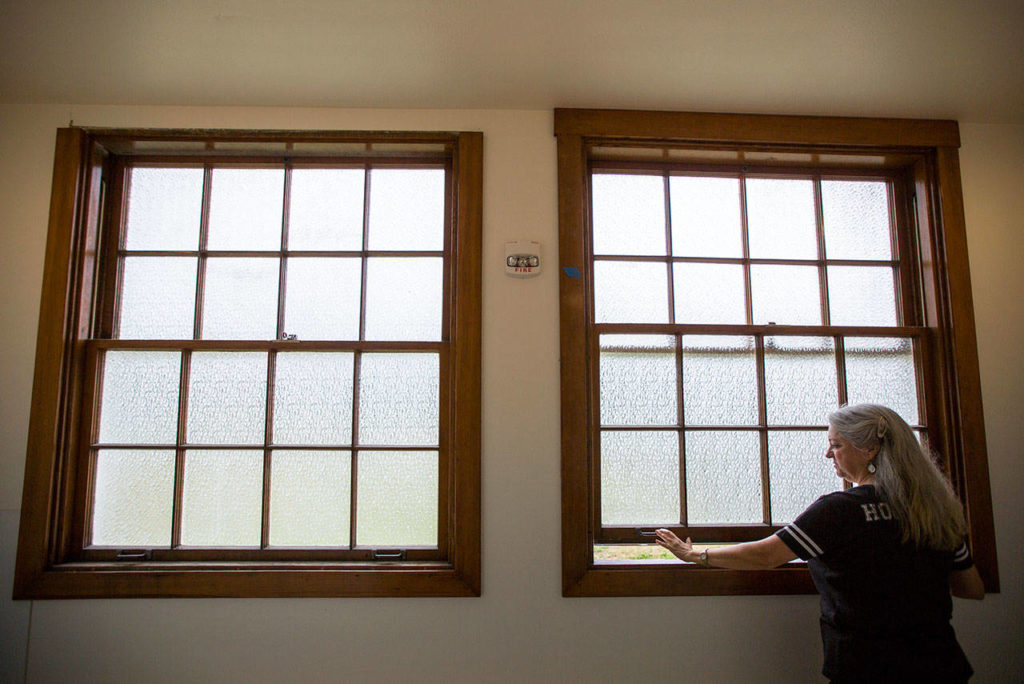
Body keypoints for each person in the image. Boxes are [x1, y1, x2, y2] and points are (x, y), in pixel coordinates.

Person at [655, 403, 984, 683]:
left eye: (836, 445)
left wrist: (695, 554)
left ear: (870, 449)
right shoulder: (936, 509)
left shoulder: (841, 510)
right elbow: (971, 587)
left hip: (866, 668)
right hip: (942, 665)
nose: (829, 454)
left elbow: (767, 554)